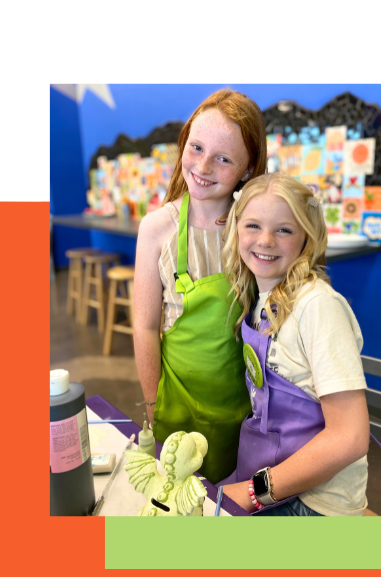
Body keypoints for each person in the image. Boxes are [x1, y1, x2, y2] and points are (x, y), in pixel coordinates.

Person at [133, 90, 267, 483]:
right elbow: (143, 326)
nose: (203, 166)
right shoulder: (157, 229)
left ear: (247, 169)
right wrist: (152, 403)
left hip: (243, 409)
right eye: (196, 147)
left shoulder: (255, 231)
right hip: (175, 404)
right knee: (177, 497)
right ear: (184, 144)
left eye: (224, 158)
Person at [218, 173, 371, 515]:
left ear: (307, 237)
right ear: (236, 229)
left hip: (316, 500)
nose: (266, 240)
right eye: (253, 226)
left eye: (284, 230)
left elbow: (350, 437)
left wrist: (253, 492)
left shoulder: (318, 307)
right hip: (275, 471)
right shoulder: (260, 296)